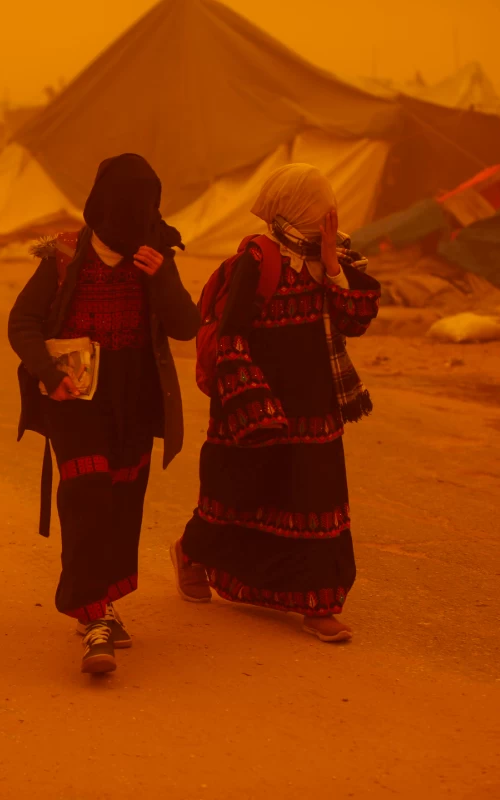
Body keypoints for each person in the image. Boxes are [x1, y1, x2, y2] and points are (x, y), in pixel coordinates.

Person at [171, 164, 381, 643]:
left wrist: (331, 265)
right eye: (316, 204)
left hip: (316, 411)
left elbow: (356, 320)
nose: (327, 212)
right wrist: (254, 406)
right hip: (254, 404)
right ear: (290, 210)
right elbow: (230, 336)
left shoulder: (335, 256)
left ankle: (319, 605)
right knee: (236, 500)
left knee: (315, 504)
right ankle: (190, 552)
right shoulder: (258, 258)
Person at [8, 154, 199, 674]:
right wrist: (50, 374)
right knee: (86, 498)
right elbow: (22, 323)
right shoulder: (65, 254)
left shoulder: (155, 250)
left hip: (135, 397)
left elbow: (187, 325)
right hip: (76, 400)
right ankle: (92, 618)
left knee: (121, 503)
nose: (139, 215)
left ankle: (104, 603)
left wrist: (161, 278)